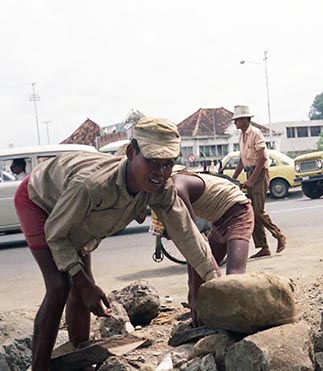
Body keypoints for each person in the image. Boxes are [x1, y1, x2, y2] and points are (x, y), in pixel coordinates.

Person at [14, 117, 220, 371]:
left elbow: (188, 235)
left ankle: (81, 357)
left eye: (168, 164)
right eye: (153, 162)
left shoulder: (160, 188)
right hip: (40, 200)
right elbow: (56, 234)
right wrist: (83, 281)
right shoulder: (91, 186)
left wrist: (216, 280)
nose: (161, 172)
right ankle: (39, 367)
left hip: (75, 217)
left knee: (81, 285)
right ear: (131, 153)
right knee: (60, 284)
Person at [169, 170, 253, 325]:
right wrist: (193, 290)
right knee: (199, 278)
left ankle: (240, 322)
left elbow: (192, 240)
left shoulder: (177, 188)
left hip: (238, 212)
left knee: (233, 278)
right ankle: (212, 318)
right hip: (218, 221)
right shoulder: (167, 190)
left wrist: (194, 293)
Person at [231, 105, 286, 258]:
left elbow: (262, 158)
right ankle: (263, 246)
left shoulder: (255, 133)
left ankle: (279, 235)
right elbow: (242, 161)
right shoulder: (241, 137)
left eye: (237, 120)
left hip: (260, 173)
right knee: (251, 213)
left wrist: (252, 179)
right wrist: (233, 179)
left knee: (257, 211)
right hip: (250, 173)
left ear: (244, 120)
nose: (235, 123)